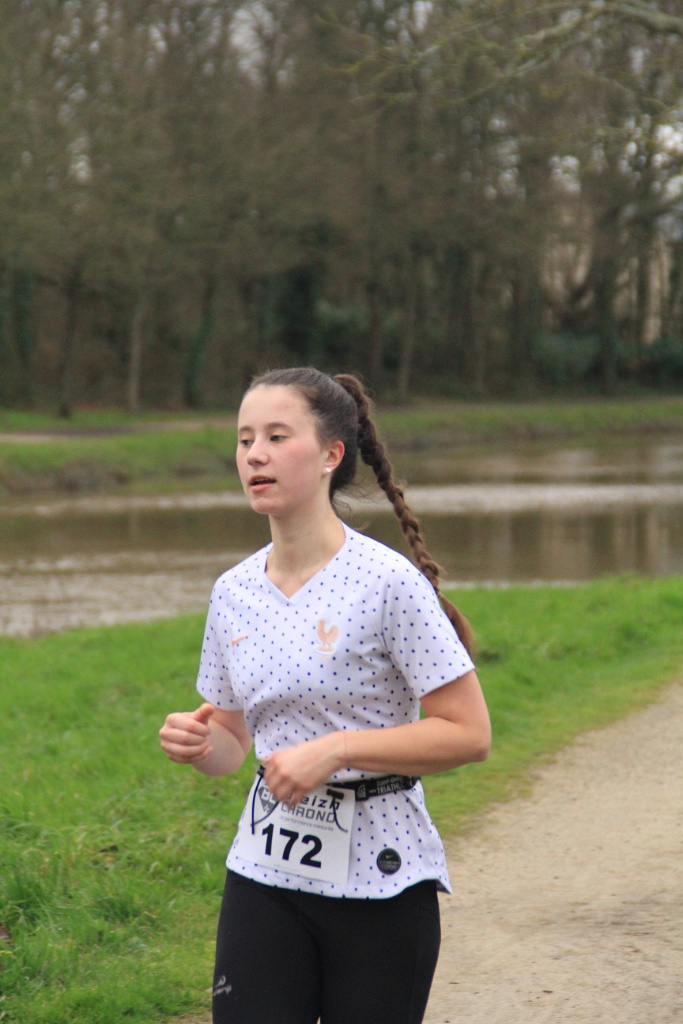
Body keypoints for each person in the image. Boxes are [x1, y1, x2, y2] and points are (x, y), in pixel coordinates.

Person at [159, 368, 491, 1024]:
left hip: (382, 877)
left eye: (277, 437)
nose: (254, 455)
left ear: (330, 455)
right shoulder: (233, 591)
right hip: (265, 872)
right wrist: (200, 744)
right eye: (244, 439)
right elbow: (232, 743)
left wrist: (336, 751)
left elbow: (468, 733)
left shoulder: (387, 582)